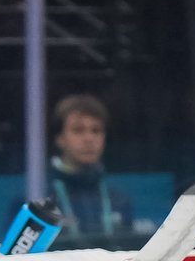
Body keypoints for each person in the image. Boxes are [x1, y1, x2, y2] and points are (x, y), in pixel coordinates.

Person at [48, 94, 136, 239]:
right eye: (78, 130)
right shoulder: (37, 197)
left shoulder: (119, 199)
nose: (89, 138)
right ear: (59, 138)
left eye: (96, 130)